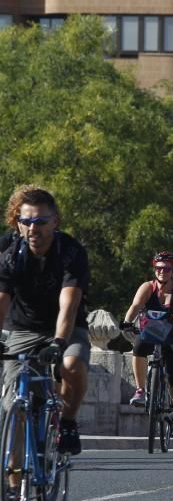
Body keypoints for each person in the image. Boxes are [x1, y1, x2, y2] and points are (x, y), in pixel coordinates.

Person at [0, 186, 89, 455]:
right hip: (24, 327)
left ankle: (68, 421)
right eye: (25, 222)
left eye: (40, 221)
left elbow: (69, 305)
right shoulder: (9, 250)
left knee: (71, 365)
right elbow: (2, 298)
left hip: (65, 326)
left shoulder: (70, 251)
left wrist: (60, 342)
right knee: (10, 407)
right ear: (17, 222)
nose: (32, 229)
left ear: (55, 221)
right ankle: (13, 489)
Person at [123, 251, 173, 435]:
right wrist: (128, 321)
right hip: (151, 331)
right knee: (138, 346)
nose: (161, 272)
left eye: (166, 268)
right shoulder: (148, 287)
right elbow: (135, 306)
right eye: (158, 268)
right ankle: (140, 390)